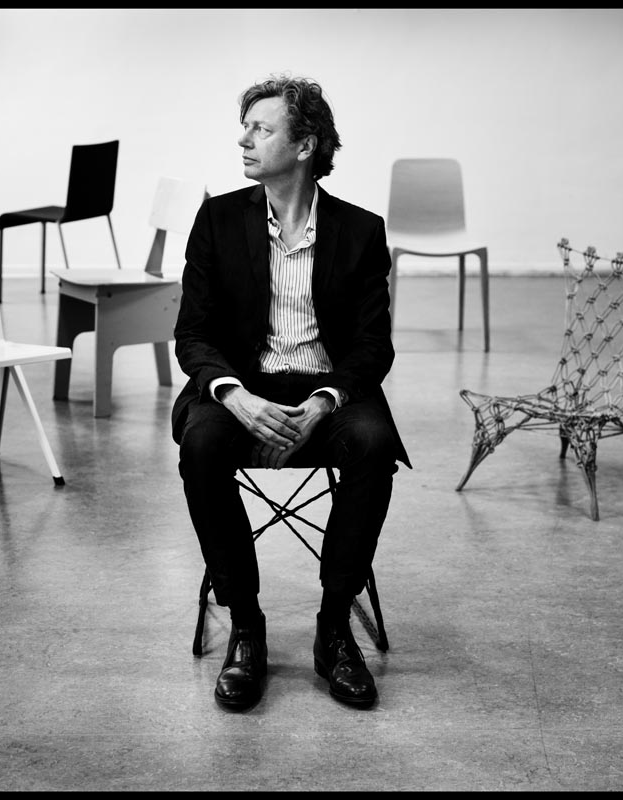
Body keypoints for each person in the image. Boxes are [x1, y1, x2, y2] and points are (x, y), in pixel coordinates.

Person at [172, 74, 411, 712]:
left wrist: (325, 402)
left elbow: (373, 346)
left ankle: (334, 628)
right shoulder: (219, 219)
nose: (244, 140)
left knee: (372, 444)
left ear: (304, 146)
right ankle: (245, 625)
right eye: (245, 127)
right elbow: (193, 334)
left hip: (327, 392)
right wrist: (235, 397)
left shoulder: (360, 231)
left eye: (262, 128)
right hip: (242, 388)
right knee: (201, 445)